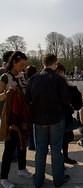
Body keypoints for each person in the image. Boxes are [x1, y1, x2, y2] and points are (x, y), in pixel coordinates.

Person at [26, 54, 70, 187]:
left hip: (39, 119)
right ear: (55, 63)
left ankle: (39, 180)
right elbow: (66, 100)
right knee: (56, 150)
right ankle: (58, 180)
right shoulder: (59, 79)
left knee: (41, 151)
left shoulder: (33, 78)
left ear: (43, 63)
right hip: (56, 118)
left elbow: (28, 99)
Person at [0, 51, 32, 188]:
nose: (23, 67)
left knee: (23, 144)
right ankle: (3, 178)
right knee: (10, 147)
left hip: (23, 116)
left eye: (25, 65)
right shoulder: (5, 77)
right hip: (11, 117)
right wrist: (6, 94)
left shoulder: (22, 76)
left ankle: (22, 169)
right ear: (14, 62)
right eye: (21, 64)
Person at [56, 63, 82, 165]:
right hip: (55, 118)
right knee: (58, 141)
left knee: (65, 139)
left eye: (59, 72)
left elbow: (78, 105)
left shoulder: (70, 88)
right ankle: (60, 161)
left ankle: (65, 157)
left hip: (64, 117)